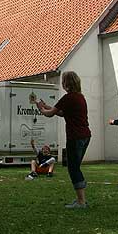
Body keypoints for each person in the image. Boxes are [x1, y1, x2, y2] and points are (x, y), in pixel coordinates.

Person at [36, 71, 91, 209]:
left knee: (73, 168)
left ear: (66, 84)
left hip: (75, 137)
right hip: (85, 136)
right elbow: (60, 112)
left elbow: (50, 114)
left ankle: (81, 201)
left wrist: (41, 109)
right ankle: (81, 199)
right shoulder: (80, 97)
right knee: (75, 167)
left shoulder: (68, 98)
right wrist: (48, 106)